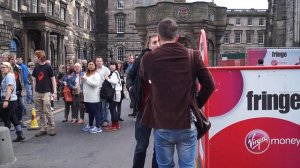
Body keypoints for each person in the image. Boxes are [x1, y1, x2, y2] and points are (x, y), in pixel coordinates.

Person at [140, 18, 215, 167]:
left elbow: (145, 77)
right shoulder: (192, 55)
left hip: (162, 123)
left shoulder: (148, 58)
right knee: (187, 165)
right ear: (177, 36)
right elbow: (210, 85)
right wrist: (195, 103)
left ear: (159, 37)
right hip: (186, 122)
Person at [127, 34, 160, 168]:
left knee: (158, 148)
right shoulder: (140, 60)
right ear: (148, 45)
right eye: (154, 42)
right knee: (141, 146)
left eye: (159, 42)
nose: (157, 44)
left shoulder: (165, 60)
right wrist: (130, 88)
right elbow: (130, 75)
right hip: (143, 110)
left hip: (160, 113)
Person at [32, 50, 57, 137]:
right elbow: (34, 80)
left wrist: (54, 92)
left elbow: (53, 80)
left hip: (46, 92)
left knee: (47, 110)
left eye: (35, 56)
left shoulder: (48, 67)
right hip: (38, 92)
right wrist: (34, 91)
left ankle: (52, 127)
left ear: (39, 57)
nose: (34, 58)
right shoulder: (36, 67)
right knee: (39, 112)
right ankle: (43, 128)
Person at [0, 62, 25, 142]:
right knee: (13, 117)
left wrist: (6, 100)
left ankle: (5, 140)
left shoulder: (9, 76)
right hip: (12, 99)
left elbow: (9, 89)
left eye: (4, 67)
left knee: (6, 118)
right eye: (1, 67)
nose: (2, 69)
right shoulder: (8, 76)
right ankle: (20, 134)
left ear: (8, 67)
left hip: (9, 99)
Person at [81, 60, 102, 133]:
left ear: (95, 66)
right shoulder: (85, 73)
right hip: (87, 97)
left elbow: (95, 84)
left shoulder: (96, 74)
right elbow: (83, 83)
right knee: (90, 112)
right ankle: (90, 125)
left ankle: (98, 127)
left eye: (92, 64)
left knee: (96, 112)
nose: (90, 66)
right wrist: (83, 80)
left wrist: (86, 79)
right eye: (89, 64)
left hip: (94, 97)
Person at [104, 61, 122, 131]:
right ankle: (115, 124)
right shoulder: (116, 72)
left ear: (116, 66)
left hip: (115, 93)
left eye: (113, 65)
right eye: (111, 65)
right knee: (113, 109)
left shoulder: (114, 73)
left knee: (113, 110)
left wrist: (108, 79)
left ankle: (114, 125)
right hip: (116, 93)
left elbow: (114, 82)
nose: (111, 66)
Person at [95, 57, 110, 127]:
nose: (99, 62)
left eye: (100, 61)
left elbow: (108, 79)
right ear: (95, 62)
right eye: (97, 61)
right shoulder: (94, 70)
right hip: (95, 90)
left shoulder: (106, 70)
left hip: (103, 90)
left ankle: (105, 120)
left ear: (102, 62)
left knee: (104, 106)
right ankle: (100, 119)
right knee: (98, 106)